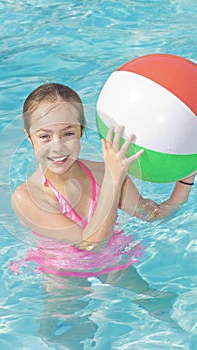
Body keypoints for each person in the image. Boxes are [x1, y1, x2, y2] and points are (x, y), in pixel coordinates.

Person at [11, 83, 195, 347]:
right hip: (64, 272)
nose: (58, 146)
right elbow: (89, 242)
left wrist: (185, 178)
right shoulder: (27, 197)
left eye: (68, 133)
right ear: (28, 136)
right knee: (50, 334)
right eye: (44, 136)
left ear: (81, 132)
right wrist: (114, 177)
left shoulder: (104, 171)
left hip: (112, 260)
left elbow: (153, 214)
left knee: (157, 303)